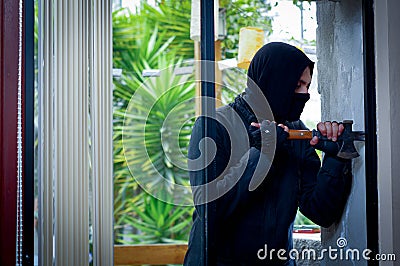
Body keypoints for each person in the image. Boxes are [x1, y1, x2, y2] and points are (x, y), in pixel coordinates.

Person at [184, 42, 352, 265]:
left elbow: (319, 212)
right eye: (298, 85)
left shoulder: (295, 132)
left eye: (307, 86)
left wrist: (335, 158)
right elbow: (208, 207)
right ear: (274, 80)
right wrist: (261, 153)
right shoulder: (213, 125)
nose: (305, 94)